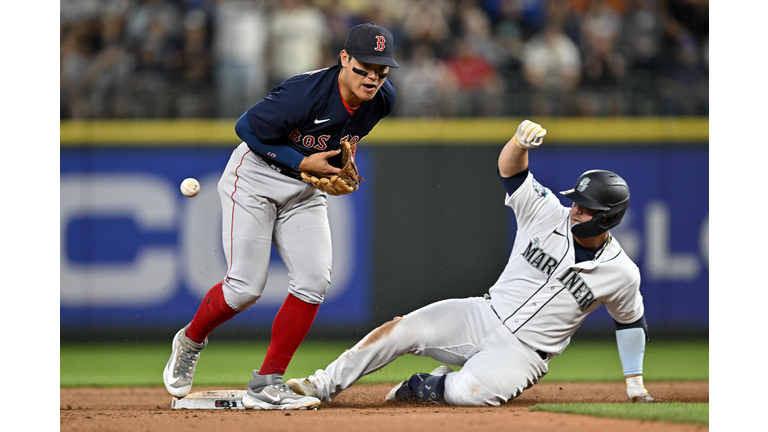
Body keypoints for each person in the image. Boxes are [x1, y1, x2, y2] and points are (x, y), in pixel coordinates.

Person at [286, 119, 657, 406]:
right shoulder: (546, 212)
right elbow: (511, 172)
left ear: (607, 217)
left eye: (586, 205)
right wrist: (518, 143)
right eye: (576, 200)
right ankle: (321, 384)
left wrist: (635, 381)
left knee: (470, 393)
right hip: (483, 313)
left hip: (525, 353)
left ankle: (424, 385)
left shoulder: (621, 272)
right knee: (401, 329)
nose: (575, 207)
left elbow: (630, 322)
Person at [162, 22, 399, 410]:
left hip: (304, 192)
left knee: (314, 279)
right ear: (343, 59)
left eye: (381, 70)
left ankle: (267, 381)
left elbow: (344, 136)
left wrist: (339, 165)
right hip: (254, 180)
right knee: (244, 288)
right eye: (363, 67)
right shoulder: (303, 93)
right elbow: (246, 129)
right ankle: (190, 340)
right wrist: (302, 159)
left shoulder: (383, 100)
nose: (372, 77)